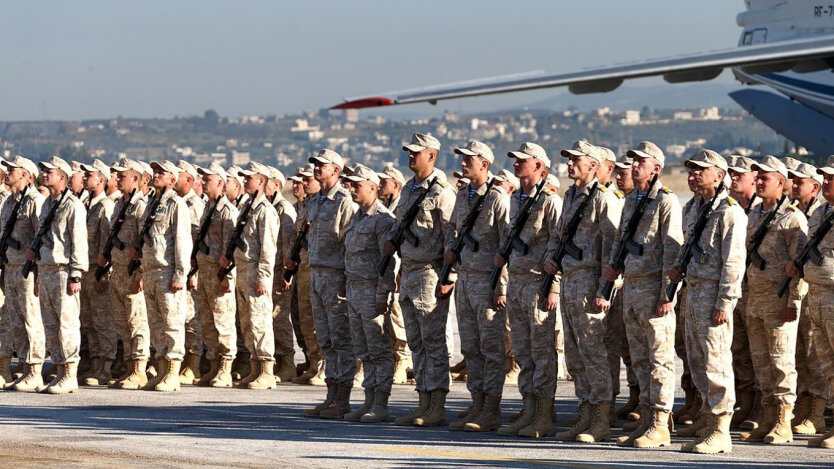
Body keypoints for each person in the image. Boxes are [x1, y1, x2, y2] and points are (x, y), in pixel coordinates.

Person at [602, 142, 683, 448]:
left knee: (659, 359)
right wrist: (612, 271)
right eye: (632, 161)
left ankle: (661, 422)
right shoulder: (632, 200)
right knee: (640, 360)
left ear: (656, 168)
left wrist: (667, 295)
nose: (634, 166)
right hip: (632, 287)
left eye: (641, 162)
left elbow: (671, 251)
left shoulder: (665, 201)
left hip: (653, 290)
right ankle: (646, 418)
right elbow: (622, 241)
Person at [668, 150, 746, 454]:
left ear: (719, 174)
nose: (693, 175)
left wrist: (724, 303)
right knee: (697, 361)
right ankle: (707, 417)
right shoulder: (693, 208)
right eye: (690, 170)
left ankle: (721, 429)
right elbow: (687, 246)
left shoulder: (729, 211)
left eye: (700, 170)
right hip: (693, 292)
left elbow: (733, 263)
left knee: (716, 363)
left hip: (714, 296)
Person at [545, 141, 620, 444]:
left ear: (592, 165)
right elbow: (559, 235)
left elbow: (612, 247)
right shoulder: (570, 196)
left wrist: (605, 290)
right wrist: (551, 259)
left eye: (576, 159)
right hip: (570, 280)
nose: (570, 163)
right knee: (575, 355)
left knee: (594, 354)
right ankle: (585, 412)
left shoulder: (603, 199)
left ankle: (601, 417)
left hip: (591, 281)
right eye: (569, 159)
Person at [490, 142, 560, 438]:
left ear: (540, 167)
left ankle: (543, 414)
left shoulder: (550, 201)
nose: (517, 165)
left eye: (523, 161)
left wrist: (553, 288)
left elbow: (559, 244)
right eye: (515, 161)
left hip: (537, 284)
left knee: (542, 351)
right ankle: (529, 410)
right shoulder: (517, 198)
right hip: (517, 282)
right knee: (523, 352)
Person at [386, 133, 456, 427]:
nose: (410, 156)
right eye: (409, 152)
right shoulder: (409, 189)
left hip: (431, 272)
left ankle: (436, 404)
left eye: (416, 152)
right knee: (416, 341)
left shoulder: (442, 192)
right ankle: (423, 401)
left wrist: (448, 276)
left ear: (432, 156)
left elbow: (453, 237)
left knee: (433, 341)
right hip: (411, 270)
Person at [739, 156, 808, 445]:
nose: (758, 180)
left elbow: (801, 265)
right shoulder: (755, 214)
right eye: (757, 176)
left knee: (781, 362)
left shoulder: (793, 218)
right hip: (755, 299)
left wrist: (794, 301)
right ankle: (767, 418)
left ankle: (783, 421)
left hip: (780, 302)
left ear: (781, 182)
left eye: (765, 177)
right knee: (761, 362)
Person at [444, 141, 511, 432]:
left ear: (484, 163)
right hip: (465, 280)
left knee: (491, 349)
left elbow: (507, 245)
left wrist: (501, 288)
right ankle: (478, 402)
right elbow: (453, 231)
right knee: (471, 347)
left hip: (487, 282)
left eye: (468, 159)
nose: (462, 164)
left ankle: (492, 408)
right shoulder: (463, 196)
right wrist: (449, 267)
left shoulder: (497, 198)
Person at [292, 150, 356, 418]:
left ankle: (343, 399)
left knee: (341, 340)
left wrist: (345, 280)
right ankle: (330, 396)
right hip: (316, 274)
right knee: (326, 340)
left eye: (322, 165)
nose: (316, 168)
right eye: (315, 165)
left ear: (336, 171)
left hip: (335, 276)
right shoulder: (315, 201)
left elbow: (348, 244)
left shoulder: (344, 201)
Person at [342, 164, 397, 422]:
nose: (352, 189)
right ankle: (368, 400)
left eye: (357, 185)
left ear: (373, 188)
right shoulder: (358, 216)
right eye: (351, 185)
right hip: (354, 291)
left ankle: (380, 403)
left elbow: (387, 262)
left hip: (371, 292)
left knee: (378, 349)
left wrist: (382, 296)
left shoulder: (382, 220)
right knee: (363, 350)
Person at [29, 156, 88, 394]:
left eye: (49, 172)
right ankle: (59, 370)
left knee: (67, 324)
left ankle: (70, 374)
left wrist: (76, 275)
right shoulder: (48, 204)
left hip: (64, 271)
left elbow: (79, 241)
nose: (44, 175)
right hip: (47, 269)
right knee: (50, 325)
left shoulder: (72, 205)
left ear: (61, 177)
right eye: (43, 171)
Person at [133, 160, 192, 392]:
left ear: (172, 179)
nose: (156, 175)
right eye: (155, 171)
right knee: (155, 324)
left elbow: (182, 241)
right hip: (150, 271)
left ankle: (173, 372)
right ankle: (160, 368)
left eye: (162, 172)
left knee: (171, 323)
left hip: (168, 271)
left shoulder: (176, 204)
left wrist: (180, 273)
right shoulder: (151, 204)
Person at [220, 161, 278, 390]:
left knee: (260, 321)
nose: (244, 181)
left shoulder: (266, 211)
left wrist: (263, 278)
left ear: (261, 181)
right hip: (243, 270)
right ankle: (255, 368)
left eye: (248, 178)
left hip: (255, 271)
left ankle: (266, 370)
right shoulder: (248, 207)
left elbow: (267, 249)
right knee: (247, 322)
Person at [102, 158, 151, 390]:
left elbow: (144, 243)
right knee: (123, 322)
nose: (117, 179)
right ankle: (130, 367)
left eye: (122, 176)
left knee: (137, 321)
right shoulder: (122, 204)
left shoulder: (141, 206)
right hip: (119, 270)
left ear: (135, 178)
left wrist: (140, 274)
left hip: (132, 273)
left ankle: (140, 369)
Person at [786, 162, 828, 435]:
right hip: (807, 293)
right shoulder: (815, 214)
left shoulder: (818, 213)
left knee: (818, 357)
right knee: (804, 355)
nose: (794, 184)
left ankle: (818, 412)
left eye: (799, 180)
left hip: (821, 292)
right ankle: (804, 408)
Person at [796, 160, 834, 448]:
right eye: (825, 177)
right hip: (817, 296)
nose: (827, 183)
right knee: (829, 367)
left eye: (833, 178)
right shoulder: (821, 212)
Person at [1, 156, 46, 392]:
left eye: (12, 169)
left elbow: (41, 238)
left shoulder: (35, 201)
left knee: (31, 320)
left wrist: (38, 273)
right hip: (10, 268)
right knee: (16, 320)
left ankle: (35, 370)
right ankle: (24, 368)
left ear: (27, 175)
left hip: (28, 271)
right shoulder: (9, 201)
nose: (7, 172)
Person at [192, 163, 239, 387]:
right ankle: (213, 365)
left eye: (207, 180)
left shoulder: (227, 210)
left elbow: (231, 249)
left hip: (219, 273)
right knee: (208, 321)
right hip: (205, 270)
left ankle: (225, 368)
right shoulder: (208, 207)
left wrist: (227, 279)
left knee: (223, 321)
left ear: (219, 183)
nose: (202, 182)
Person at [726, 155, 761, 428]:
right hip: (735, 289)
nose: (733, 177)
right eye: (731, 173)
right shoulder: (727, 208)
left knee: (760, 350)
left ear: (754, 179)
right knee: (738, 349)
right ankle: (745, 401)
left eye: (739, 174)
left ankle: (761, 407)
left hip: (757, 290)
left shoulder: (764, 210)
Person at [78, 159, 117, 386]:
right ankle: (94, 363)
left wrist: (104, 274)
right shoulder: (85, 204)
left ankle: (106, 366)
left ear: (101, 180)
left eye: (89, 175)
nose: (85, 178)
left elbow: (108, 244)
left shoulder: (105, 207)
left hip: (98, 270)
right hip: (85, 268)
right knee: (89, 320)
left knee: (103, 320)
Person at [377, 165, 413, 385]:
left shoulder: (402, 206)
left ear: (396, 185)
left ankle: (402, 360)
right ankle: (392, 357)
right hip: (387, 267)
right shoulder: (384, 207)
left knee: (399, 317)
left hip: (401, 267)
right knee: (388, 317)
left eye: (384, 182)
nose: (380, 186)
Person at [175, 160, 206, 384]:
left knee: (191, 318)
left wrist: (193, 273)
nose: (174, 178)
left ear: (189, 180)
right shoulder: (177, 203)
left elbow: (197, 244)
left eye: (179, 175)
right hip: (179, 268)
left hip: (191, 268)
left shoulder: (195, 206)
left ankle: (193, 363)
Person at [266, 166, 298, 383]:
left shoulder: (283, 209)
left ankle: (287, 362)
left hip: (280, 272)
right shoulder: (268, 207)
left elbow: (289, 245)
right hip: (269, 272)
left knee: (279, 319)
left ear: (275, 185)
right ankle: (277, 360)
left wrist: (287, 274)